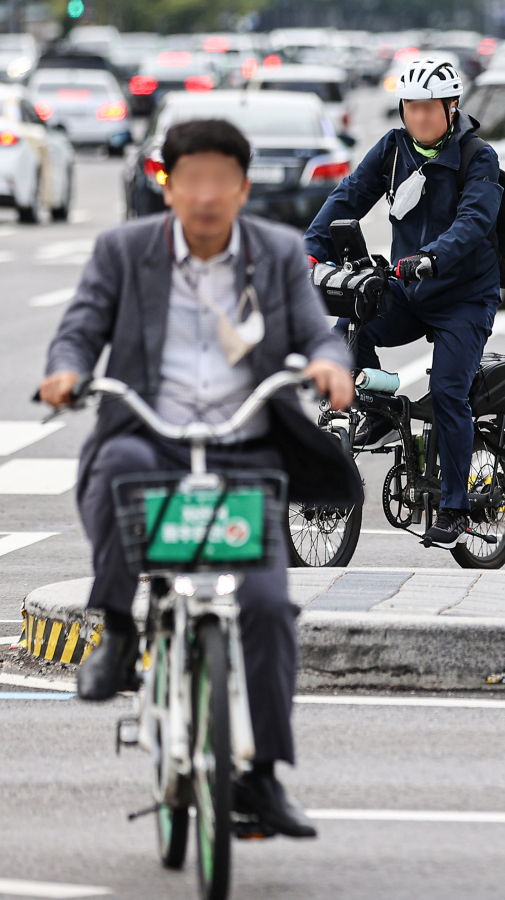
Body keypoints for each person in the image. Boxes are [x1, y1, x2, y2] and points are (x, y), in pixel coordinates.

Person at [39, 118, 359, 838]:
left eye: (223, 180)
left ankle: (263, 775)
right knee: (115, 469)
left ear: (244, 188)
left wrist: (330, 362)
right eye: (193, 179)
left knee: (270, 606)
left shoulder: (275, 253)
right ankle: (118, 630)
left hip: (245, 447)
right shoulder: (124, 250)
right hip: (150, 438)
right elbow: (82, 324)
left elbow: (315, 328)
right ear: (169, 184)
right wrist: (66, 369)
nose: (207, 194)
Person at [305, 57, 503, 550]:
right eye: (410, 107)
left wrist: (431, 258)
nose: (418, 117)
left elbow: (474, 222)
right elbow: (349, 196)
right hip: (409, 289)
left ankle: (456, 509)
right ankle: (377, 408)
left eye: (429, 108)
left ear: (452, 108)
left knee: (449, 391)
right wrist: (310, 250)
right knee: (345, 336)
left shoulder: (479, 157)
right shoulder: (394, 150)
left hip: (463, 296)